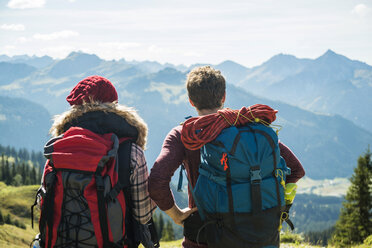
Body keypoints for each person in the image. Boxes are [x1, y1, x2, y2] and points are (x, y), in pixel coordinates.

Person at [148, 66, 305, 248]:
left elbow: (157, 181)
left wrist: (177, 215)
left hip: (203, 235)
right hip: (257, 235)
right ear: (223, 97)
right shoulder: (248, 130)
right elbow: (296, 170)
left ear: (191, 101)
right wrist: (274, 209)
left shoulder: (185, 134)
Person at [43, 75, 157, 247]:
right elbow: (143, 214)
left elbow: (44, 205)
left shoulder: (59, 149)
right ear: (114, 105)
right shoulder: (130, 151)